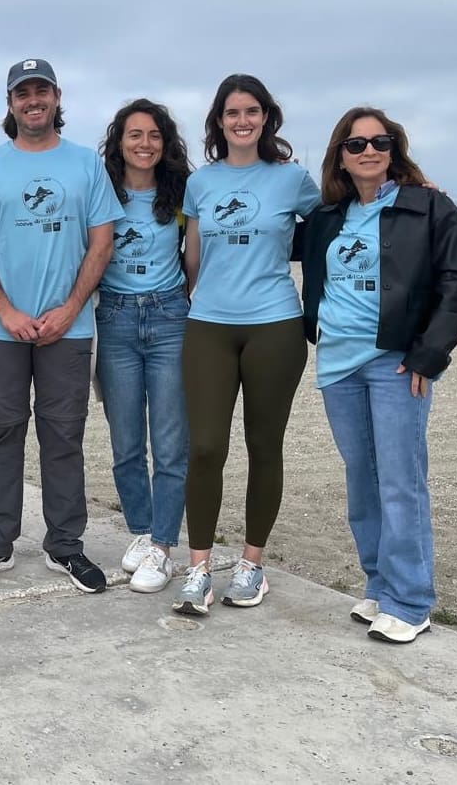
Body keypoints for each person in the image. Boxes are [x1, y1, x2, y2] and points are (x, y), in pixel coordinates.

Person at [302, 107, 457, 643]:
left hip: (395, 362)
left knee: (401, 480)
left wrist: (429, 355)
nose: (369, 151)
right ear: (341, 156)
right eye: (356, 144)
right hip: (338, 364)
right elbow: (268, 235)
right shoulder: (327, 217)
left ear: (394, 149)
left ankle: (411, 600)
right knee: (363, 479)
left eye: (380, 142)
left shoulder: (430, 207)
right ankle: (379, 584)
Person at [0, 59, 122, 594]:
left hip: (67, 329)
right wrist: (5, 309)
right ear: (10, 103)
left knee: (64, 435)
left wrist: (71, 308)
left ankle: (65, 545)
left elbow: (102, 242)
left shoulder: (85, 163)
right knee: (2, 432)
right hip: (1, 328)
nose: (33, 100)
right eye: (22, 93)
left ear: (56, 97)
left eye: (41, 91)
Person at [173, 74, 321, 616]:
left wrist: (415, 189)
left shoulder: (292, 178)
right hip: (209, 324)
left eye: (252, 111)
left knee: (264, 445)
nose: (242, 121)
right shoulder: (200, 183)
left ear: (266, 118)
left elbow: (342, 217)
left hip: (275, 325)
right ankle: (198, 570)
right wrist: (198, 297)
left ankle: (252, 564)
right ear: (219, 121)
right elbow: (192, 254)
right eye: (232, 112)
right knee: (206, 447)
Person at [96, 99, 193, 594]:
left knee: (171, 443)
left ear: (166, 142)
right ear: (119, 142)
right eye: (135, 134)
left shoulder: (181, 192)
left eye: (154, 135)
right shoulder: (101, 191)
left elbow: (197, 253)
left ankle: (164, 546)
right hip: (114, 318)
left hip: (169, 316)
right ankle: (142, 529)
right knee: (126, 443)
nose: (145, 144)